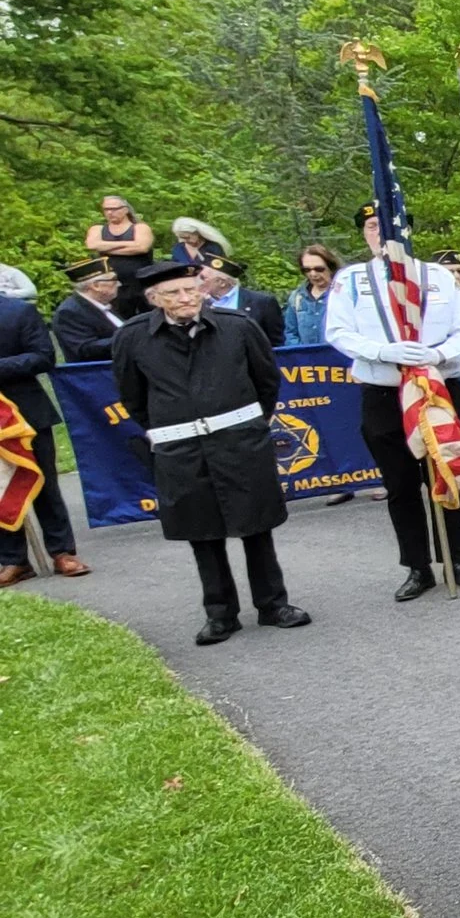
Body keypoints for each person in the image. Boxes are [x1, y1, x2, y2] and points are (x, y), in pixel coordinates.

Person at [109, 262, 310, 640]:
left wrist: (249, 425)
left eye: (191, 289)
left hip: (241, 442)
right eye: (174, 293)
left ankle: (273, 604)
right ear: (154, 299)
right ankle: (220, 614)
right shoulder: (132, 338)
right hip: (180, 449)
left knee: (256, 524)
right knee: (201, 530)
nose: (186, 299)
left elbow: (267, 381)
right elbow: (133, 397)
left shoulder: (238, 326)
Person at [323, 201, 460, 602]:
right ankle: (416, 567)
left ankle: (456, 559)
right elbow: (338, 332)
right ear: (364, 234)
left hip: (435, 389)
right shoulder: (352, 279)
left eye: (390, 226)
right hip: (383, 391)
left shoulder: (437, 278)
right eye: (372, 228)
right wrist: (383, 352)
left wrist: (439, 354)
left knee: (445, 475)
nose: (381, 234)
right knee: (400, 485)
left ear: (407, 231)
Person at [0, 279, 91, 584]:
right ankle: (13, 560)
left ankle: (62, 552)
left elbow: (42, 356)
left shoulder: (18, 313)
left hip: (25, 414)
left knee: (44, 483)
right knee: (0, 487)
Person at [198, 253, 286, 345]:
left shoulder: (263, 303)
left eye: (203, 278)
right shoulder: (198, 303)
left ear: (222, 283)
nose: (198, 282)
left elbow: (276, 344)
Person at [87, 196, 155, 314]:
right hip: (112, 284)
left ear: (125, 209)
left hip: (141, 283)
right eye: (106, 209)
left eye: (114, 209)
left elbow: (142, 247)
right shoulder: (97, 229)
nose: (110, 212)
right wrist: (129, 244)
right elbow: (92, 245)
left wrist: (107, 249)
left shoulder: (140, 228)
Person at [51, 259, 126, 364]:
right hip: (99, 374)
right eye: (113, 280)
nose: (119, 284)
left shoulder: (103, 304)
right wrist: (128, 338)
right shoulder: (69, 312)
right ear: (96, 286)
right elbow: (84, 349)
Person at [282, 244, 341, 346]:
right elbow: (290, 332)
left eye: (319, 269)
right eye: (307, 270)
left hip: (339, 357)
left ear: (330, 267)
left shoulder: (343, 294)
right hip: (306, 359)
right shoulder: (297, 298)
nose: (313, 274)